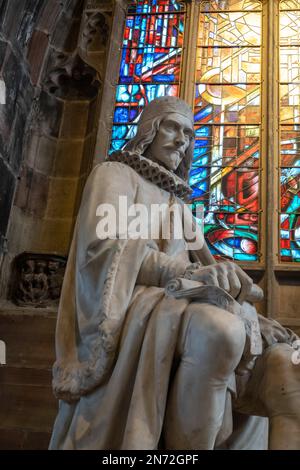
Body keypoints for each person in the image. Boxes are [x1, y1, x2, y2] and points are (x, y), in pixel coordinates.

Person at [49, 96, 300, 450]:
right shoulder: (116, 174)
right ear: (147, 132)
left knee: (287, 365)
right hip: (139, 301)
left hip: (186, 300)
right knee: (221, 331)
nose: (182, 139)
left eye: (189, 134)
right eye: (172, 127)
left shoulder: (179, 204)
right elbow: (102, 250)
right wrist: (187, 273)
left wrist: (254, 316)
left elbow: (212, 269)